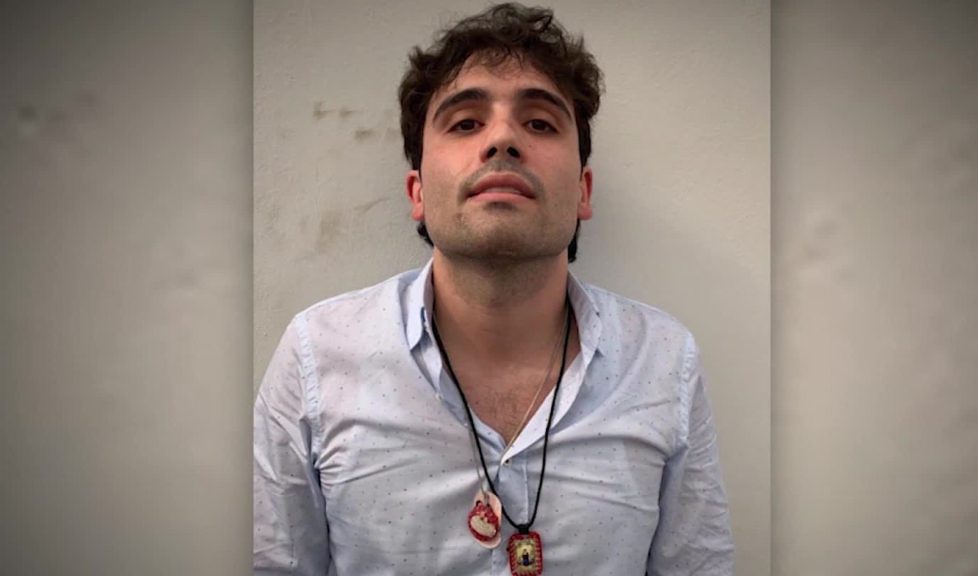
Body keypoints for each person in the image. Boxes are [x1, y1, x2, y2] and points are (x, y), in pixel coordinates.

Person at [253, 4, 734, 575]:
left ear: (582, 192)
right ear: (417, 193)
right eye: (465, 123)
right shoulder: (316, 357)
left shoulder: (664, 360)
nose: (502, 138)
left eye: (540, 123)